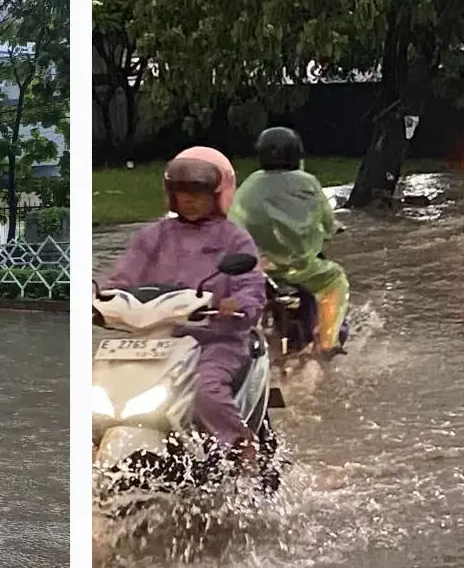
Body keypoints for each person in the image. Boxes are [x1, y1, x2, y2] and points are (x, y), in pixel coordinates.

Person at [103, 146, 266, 469]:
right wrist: (100, 299)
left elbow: (251, 286)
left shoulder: (235, 240)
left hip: (217, 339)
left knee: (208, 388)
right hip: (155, 339)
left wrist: (237, 305)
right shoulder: (153, 237)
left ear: (217, 195)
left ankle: (239, 447)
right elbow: (123, 276)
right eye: (181, 192)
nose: (188, 199)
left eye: (198, 192)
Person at [228, 127, 349, 357]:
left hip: (260, 269)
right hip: (302, 268)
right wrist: (333, 228)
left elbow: (234, 222)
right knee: (335, 280)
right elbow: (326, 219)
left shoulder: (251, 184)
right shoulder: (309, 182)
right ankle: (328, 341)